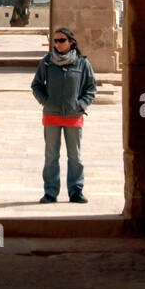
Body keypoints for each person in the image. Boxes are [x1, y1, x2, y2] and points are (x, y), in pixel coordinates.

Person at [30, 26, 97, 203]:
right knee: (51, 156)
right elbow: (36, 85)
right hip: (51, 115)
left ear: (71, 42)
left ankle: (76, 191)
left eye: (61, 40)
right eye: (55, 41)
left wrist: (81, 105)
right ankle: (50, 192)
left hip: (74, 116)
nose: (57, 44)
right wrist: (46, 101)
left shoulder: (82, 63)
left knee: (75, 156)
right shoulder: (46, 62)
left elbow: (91, 88)